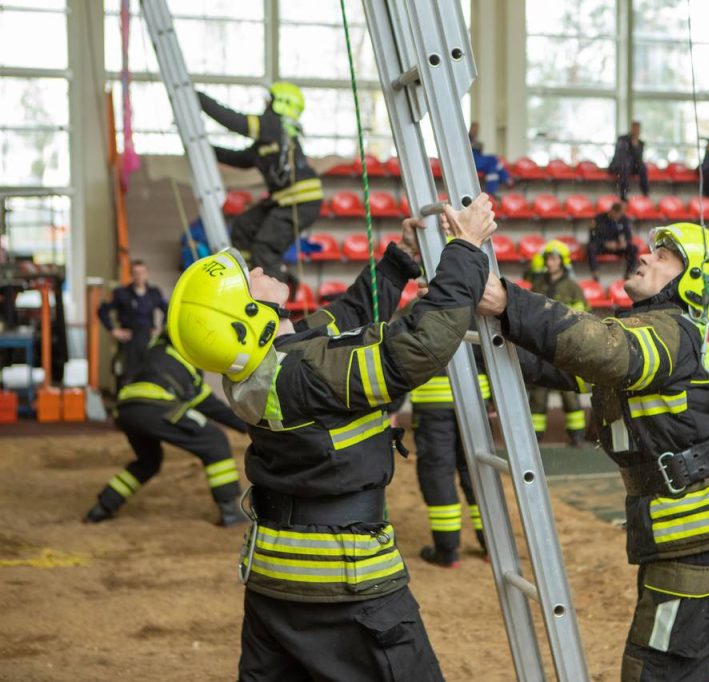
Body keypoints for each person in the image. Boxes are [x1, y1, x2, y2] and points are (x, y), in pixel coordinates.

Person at [167, 195, 496, 681]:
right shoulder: (308, 373)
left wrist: (400, 260)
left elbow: (345, 316)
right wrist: (466, 248)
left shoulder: (270, 365)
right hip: (346, 582)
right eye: (248, 278)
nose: (258, 267)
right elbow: (421, 345)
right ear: (249, 318)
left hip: (275, 581)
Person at [476, 222, 709, 682]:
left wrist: (510, 301)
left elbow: (605, 349)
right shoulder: (650, 334)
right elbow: (559, 364)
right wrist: (479, 342)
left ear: (692, 281)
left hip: (700, 545)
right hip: (682, 541)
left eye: (664, 256)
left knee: (654, 674)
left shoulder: (670, 333)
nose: (645, 256)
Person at [83, 333, 247, 526]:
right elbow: (209, 404)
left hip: (126, 409)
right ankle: (229, 512)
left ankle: (102, 507)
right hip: (156, 405)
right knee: (214, 441)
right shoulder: (184, 360)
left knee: (148, 462)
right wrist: (249, 426)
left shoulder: (156, 352)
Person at [198, 82, 324, 286]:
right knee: (243, 227)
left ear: (280, 104)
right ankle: (247, 277)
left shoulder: (274, 125)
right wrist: (204, 148)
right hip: (283, 200)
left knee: (265, 248)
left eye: (269, 101)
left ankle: (273, 298)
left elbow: (235, 121)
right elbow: (240, 159)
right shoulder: (270, 139)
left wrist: (199, 98)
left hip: (300, 200)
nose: (265, 106)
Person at [410, 358, 489, 568]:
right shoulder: (477, 321)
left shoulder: (420, 321)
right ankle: (492, 547)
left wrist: (391, 407)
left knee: (438, 474)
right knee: (478, 472)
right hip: (476, 398)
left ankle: (447, 551)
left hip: (432, 403)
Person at [524, 240, 589, 446]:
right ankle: (535, 438)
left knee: (569, 393)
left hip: (565, 347)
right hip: (542, 347)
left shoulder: (572, 288)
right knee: (538, 394)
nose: (549, 262)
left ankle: (576, 435)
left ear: (562, 261)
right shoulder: (539, 284)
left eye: (553, 258)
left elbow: (581, 317)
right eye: (547, 259)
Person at [98, 259, 168, 388]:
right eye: (136, 273)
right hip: (128, 339)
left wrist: (160, 329)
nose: (139, 276)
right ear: (131, 274)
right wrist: (113, 330)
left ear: (147, 274)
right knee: (126, 374)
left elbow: (168, 310)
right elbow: (102, 310)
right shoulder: (121, 293)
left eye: (142, 272)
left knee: (149, 372)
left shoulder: (154, 293)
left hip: (147, 339)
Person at [588, 202, 639, 276]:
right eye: (616, 215)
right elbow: (593, 237)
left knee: (633, 248)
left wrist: (624, 243)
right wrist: (605, 243)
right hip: (603, 247)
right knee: (591, 247)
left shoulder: (624, 220)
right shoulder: (599, 219)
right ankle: (595, 272)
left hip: (618, 247)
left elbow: (628, 237)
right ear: (611, 211)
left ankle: (629, 273)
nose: (617, 217)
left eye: (619, 215)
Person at [469, 121, 511, 195]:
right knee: (493, 158)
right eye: (474, 128)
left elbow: (480, 150)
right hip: (472, 162)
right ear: (471, 128)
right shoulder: (466, 138)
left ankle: (491, 193)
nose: (476, 131)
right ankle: (506, 177)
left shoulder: (477, 141)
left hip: (479, 161)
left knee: (492, 170)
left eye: (477, 129)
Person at [609, 121, 649, 200]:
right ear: (631, 129)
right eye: (634, 128)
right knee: (626, 164)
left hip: (632, 167)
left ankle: (645, 193)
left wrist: (635, 146)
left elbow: (639, 159)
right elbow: (621, 155)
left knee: (643, 167)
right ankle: (623, 193)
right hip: (620, 166)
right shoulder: (623, 139)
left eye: (638, 129)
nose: (636, 131)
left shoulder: (640, 143)